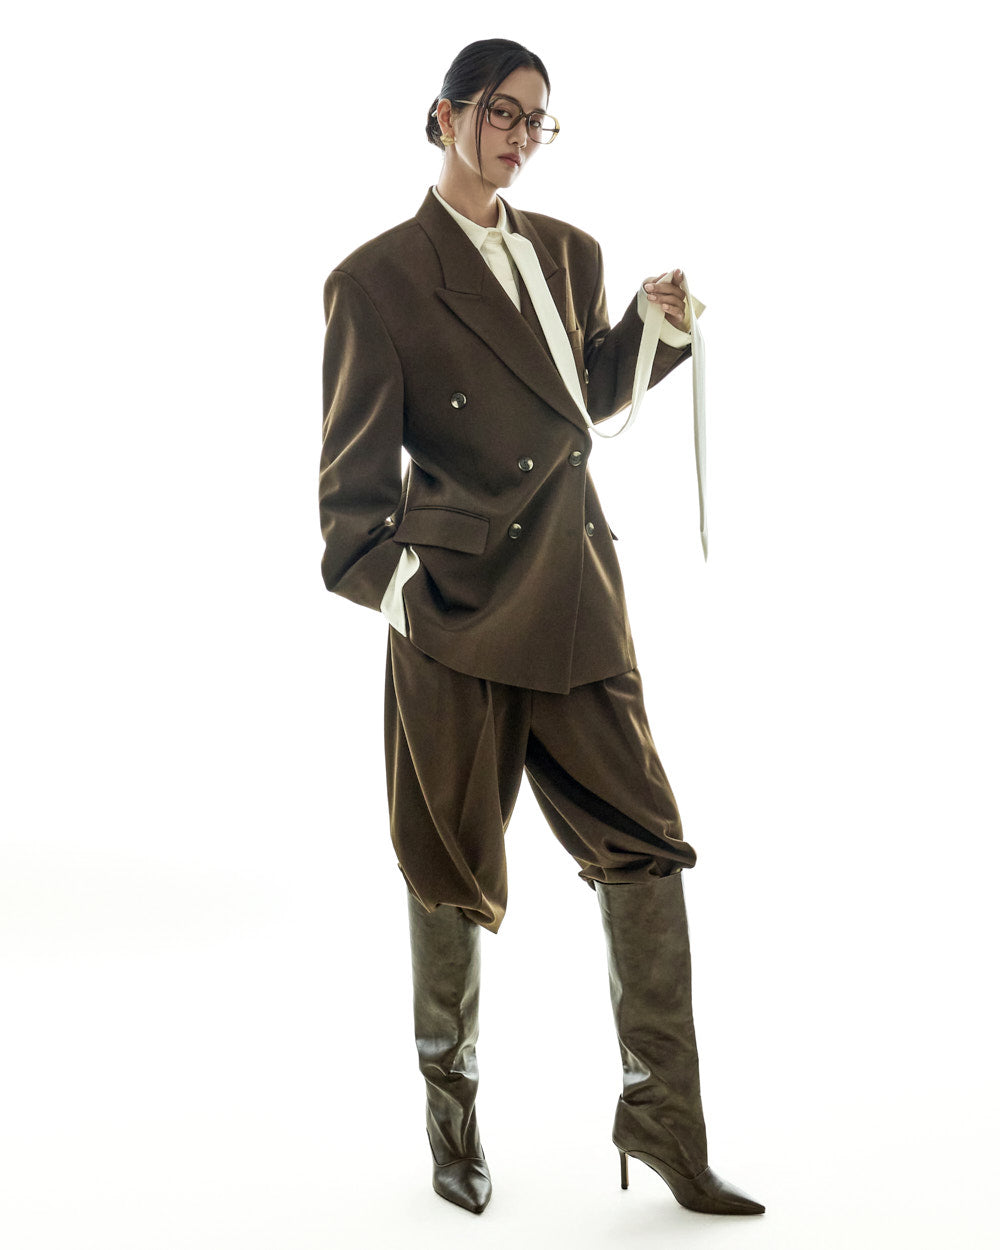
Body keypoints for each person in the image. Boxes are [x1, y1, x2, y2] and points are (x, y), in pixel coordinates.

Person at [318, 37, 764, 1219]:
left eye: (536, 119)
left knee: (646, 844)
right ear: (445, 116)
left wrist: (651, 333)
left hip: (574, 594)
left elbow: (574, 399)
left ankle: (666, 1124)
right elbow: (349, 507)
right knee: (447, 865)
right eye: (501, 113)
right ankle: (451, 1121)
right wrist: (410, 599)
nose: (519, 136)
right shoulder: (374, 281)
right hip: (456, 617)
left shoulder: (569, 251)